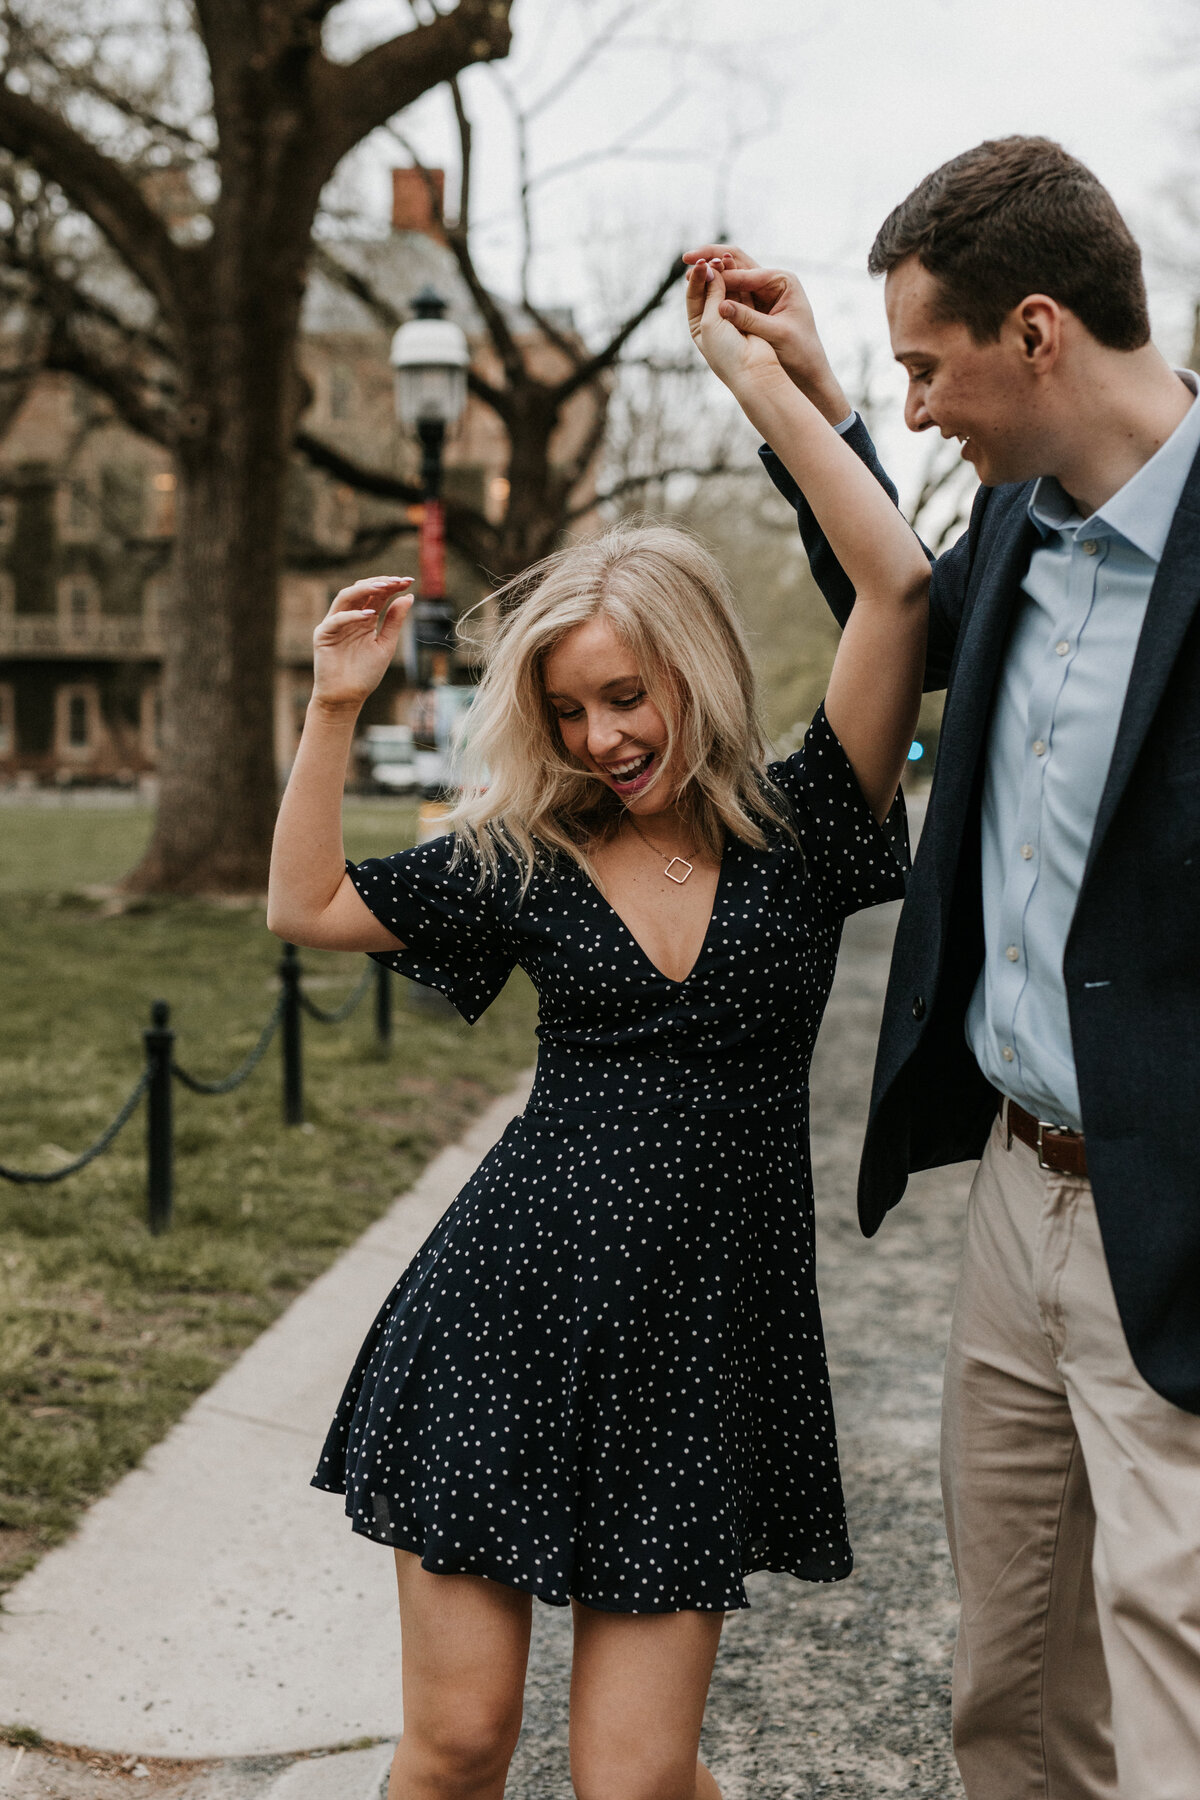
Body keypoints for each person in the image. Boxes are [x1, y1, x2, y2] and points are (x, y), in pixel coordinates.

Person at [266, 264, 929, 1800]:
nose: (603, 739)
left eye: (626, 696)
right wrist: (330, 710)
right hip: (502, 1319)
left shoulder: (810, 822)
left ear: (691, 669)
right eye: (570, 714)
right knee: (455, 1747)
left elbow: (898, 585)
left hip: (701, 1350)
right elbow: (306, 906)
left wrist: (768, 389)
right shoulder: (528, 862)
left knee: (638, 1781)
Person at [686, 134, 1200, 1800]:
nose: (919, 411)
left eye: (927, 368)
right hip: (1012, 1195)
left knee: (1174, 1671)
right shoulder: (1018, 531)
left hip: (1178, 1211)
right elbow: (891, 604)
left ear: (1037, 330)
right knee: (1008, 1681)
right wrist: (818, 402)